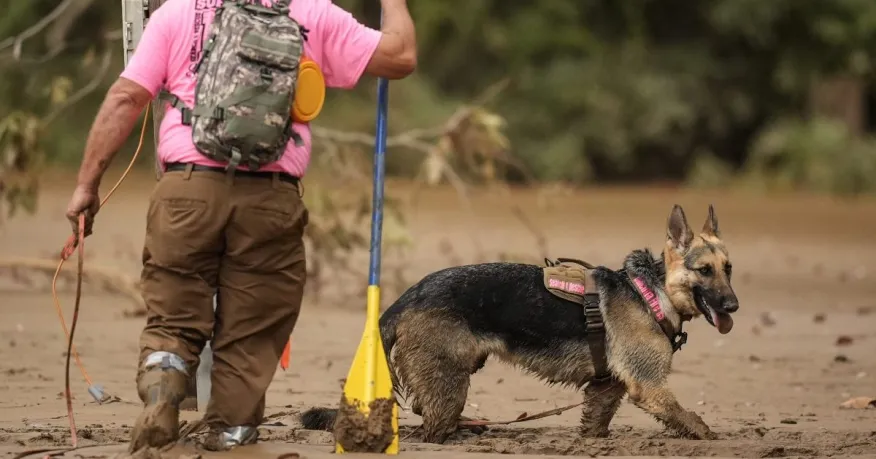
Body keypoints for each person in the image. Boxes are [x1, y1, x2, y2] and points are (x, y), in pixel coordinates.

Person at [64, 0, 415, 452]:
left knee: (173, 314)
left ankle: (161, 391)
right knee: (251, 331)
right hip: (269, 199)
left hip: (186, 193)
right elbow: (400, 57)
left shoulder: (177, 12)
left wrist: (86, 185)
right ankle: (229, 430)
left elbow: (125, 98)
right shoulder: (312, 12)